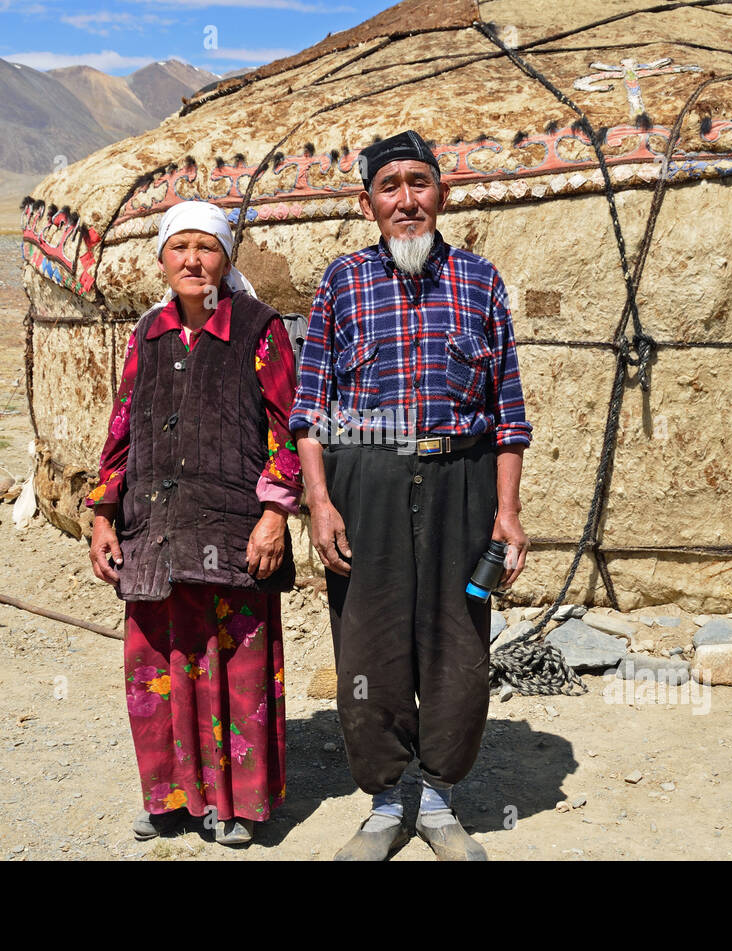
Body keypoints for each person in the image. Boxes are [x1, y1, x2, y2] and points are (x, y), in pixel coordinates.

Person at [289, 130, 532, 861]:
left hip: (462, 475)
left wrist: (508, 513)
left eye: (418, 183)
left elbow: (510, 411)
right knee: (370, 637)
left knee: (458, 634)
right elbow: (309, 410)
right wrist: (320, 503)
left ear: (442, 195)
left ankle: (438, 798)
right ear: (368, 203)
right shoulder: (341, 282)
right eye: (389, 185)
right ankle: (386, 797)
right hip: (367, 478)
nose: (406, 199)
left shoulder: (480, 280)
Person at [88, 200, 302, 847]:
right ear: (160, 260)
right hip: (151, 528)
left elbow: (289, 426)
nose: (191, 259)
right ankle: (171, 798)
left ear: (226, 259)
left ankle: (237, 804)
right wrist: (102, 512)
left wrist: (275, 512)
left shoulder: (259, 329)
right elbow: (120, 429)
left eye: (205, 248)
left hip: (233, 526)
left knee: (235, 664)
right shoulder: (147, 335)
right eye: (179, 247)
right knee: (158, 665)